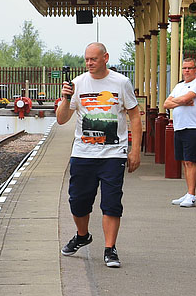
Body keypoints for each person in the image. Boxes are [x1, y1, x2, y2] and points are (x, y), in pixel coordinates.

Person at [56, 42, 142, 268]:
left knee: (112, 203)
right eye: (86, 59)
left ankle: (109, 249)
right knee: (78, 202)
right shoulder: (77, 83)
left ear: (105, 58)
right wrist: (65, 98)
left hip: (113, 153)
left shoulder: (121, 82)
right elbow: (61, 119)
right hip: (83, 154)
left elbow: (135, 116)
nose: (89, 63)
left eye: (93, 59)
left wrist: (135, 150)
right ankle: (82, 236)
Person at [163, 55, 196, 207]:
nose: (187, 70)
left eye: (190, 68)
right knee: (183, 160)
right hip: (179, 126)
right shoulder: (179, 86)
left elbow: (181, 99)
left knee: (190, 161)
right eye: (184, 68)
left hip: (193, 126)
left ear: (195, 69)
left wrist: (180, 101)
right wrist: (183, 102)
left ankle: (192, 196)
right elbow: (166, 104)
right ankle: (190, 193)